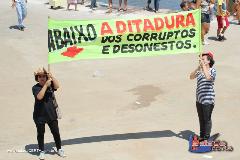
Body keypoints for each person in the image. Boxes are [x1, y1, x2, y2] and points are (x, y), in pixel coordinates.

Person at [32, 68, 65, 160]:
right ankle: (41, 151)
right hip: (39, 116)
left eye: (44, 76)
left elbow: (57, 86)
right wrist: (46, 85)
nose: (42, 78)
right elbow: (39, 97)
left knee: (56, 133)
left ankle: (59, 149)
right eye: (40, 76)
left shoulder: (50, 86)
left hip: (51, 114)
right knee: (40, 134)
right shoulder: (35, 87)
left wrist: (51, 77)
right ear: (37, 78)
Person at [190, 52, 216, 143]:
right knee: (201, 118)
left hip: (208, 100)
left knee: (207, 119)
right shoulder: (200, 71)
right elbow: (191, 77)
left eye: (203, 59)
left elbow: (208, 77)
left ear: (208, 61)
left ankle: (206, 137)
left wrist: (203, 67)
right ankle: (202, 136)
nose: (201, 61)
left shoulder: (212, 70)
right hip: (199, 99)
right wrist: (198, 67)